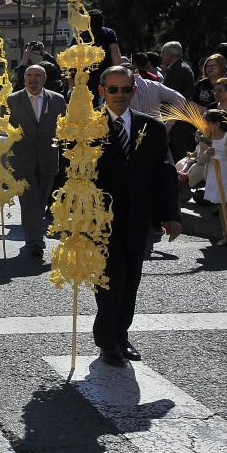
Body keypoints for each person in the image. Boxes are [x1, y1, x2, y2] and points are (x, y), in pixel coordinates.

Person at [94, 66, 180, 366]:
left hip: (139, 219)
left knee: (131, 279)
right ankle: (107, 341)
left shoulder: (152, 128)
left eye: (126, 89)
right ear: (102, 91)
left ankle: (121, 334)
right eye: (113, 89)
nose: (119, 95)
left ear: (134, 91)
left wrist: (171, 215)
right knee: (109, 279)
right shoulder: (84, 127)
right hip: (99, 220)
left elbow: (165, 173)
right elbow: (68, 175)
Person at [7, 65, 67, 259]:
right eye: (29, 76)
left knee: (40, 203)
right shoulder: (12, 100)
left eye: (37, 76)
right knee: (29, 201)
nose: (33, 80)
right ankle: (34, 241)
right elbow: (4, 129)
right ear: (24, 79)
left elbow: (64, 129)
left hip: (49, 159)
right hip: (23, 161)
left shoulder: (57, 100)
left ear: (44, 78)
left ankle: (33, 236)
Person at [196, 109, 227, 222]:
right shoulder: (205, 139)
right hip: (215, 175)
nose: (203, 125)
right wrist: (207, 153)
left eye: (206, 123)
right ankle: (226, 234)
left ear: (217, 124)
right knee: (222, 206)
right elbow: (200, 161)